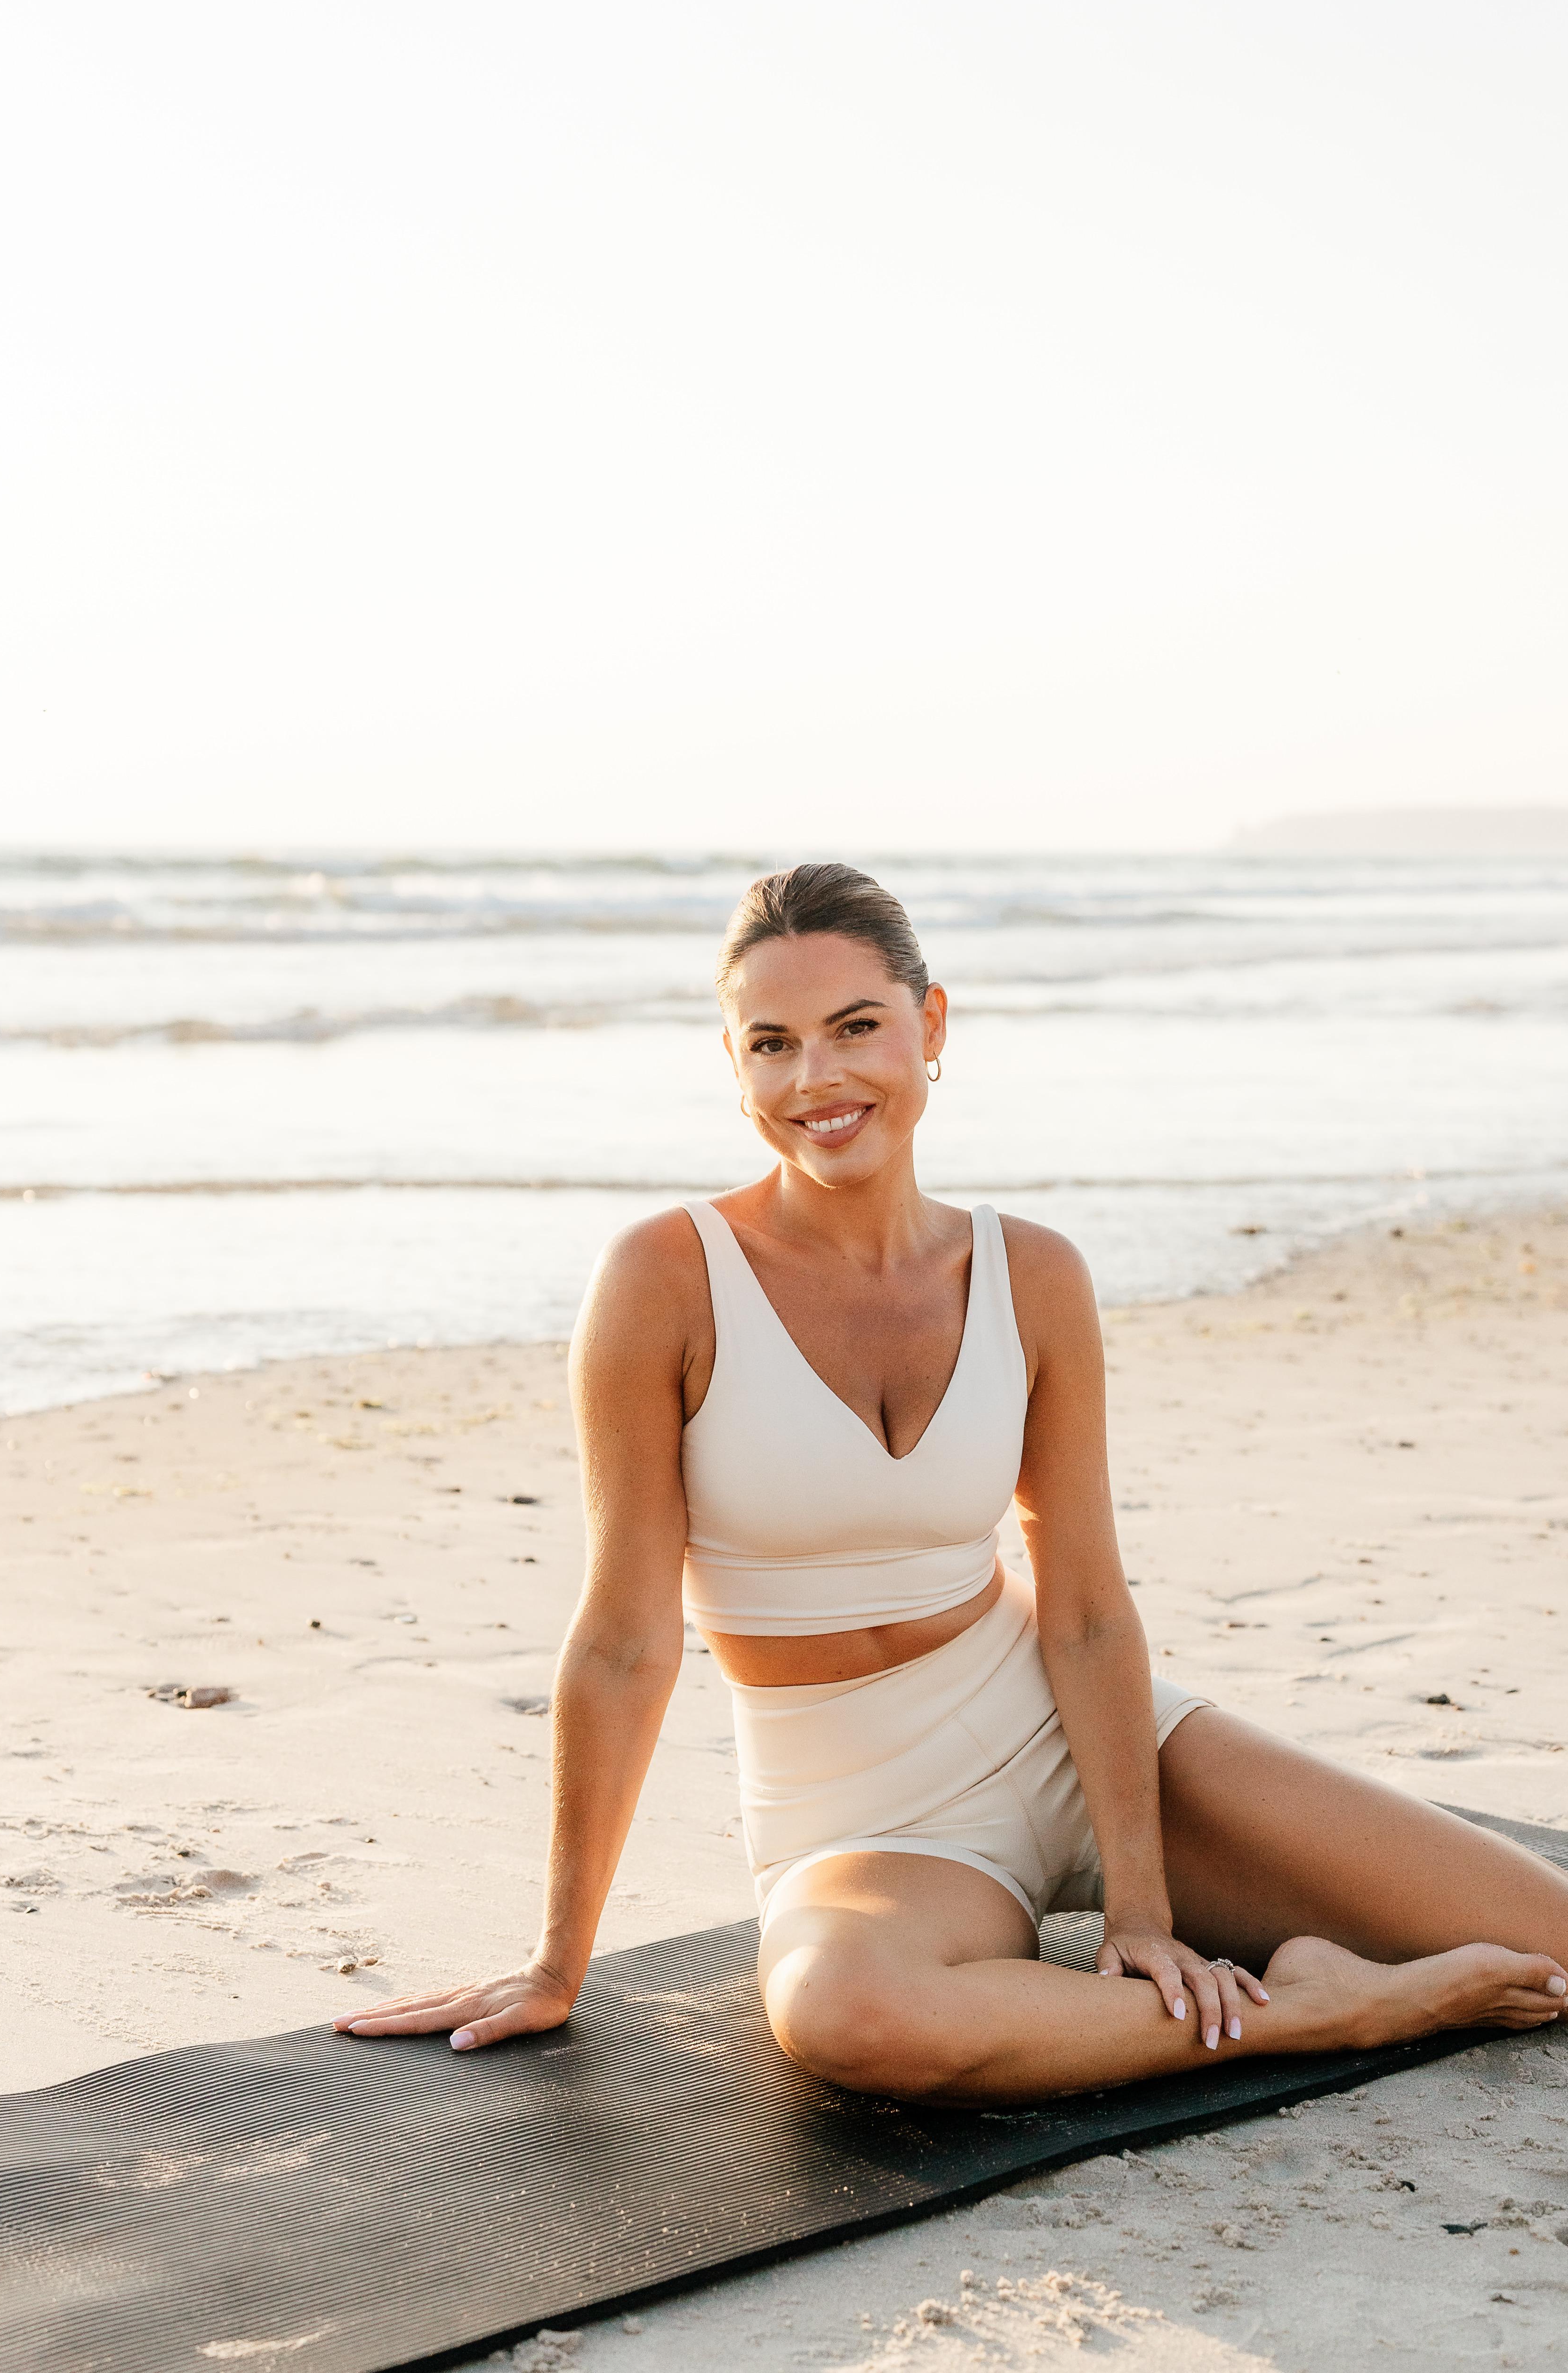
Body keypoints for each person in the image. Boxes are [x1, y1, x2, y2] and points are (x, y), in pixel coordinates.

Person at [338, 864, 1568, 2104]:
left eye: (856, 1028)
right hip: (868, 1816)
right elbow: (621, 1641)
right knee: (844, 2018)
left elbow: (1085, 1607)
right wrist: (560, 1963)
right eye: (772, 1045)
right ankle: (1325, 2015)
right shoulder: (665, 1278)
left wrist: (1141, 1910)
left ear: (931, 1027)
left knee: (1552, 1944)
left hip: (1075, 1732)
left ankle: (1187, 1959)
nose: (816, 1080)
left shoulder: (1033, 1274)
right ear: (736, 1065)